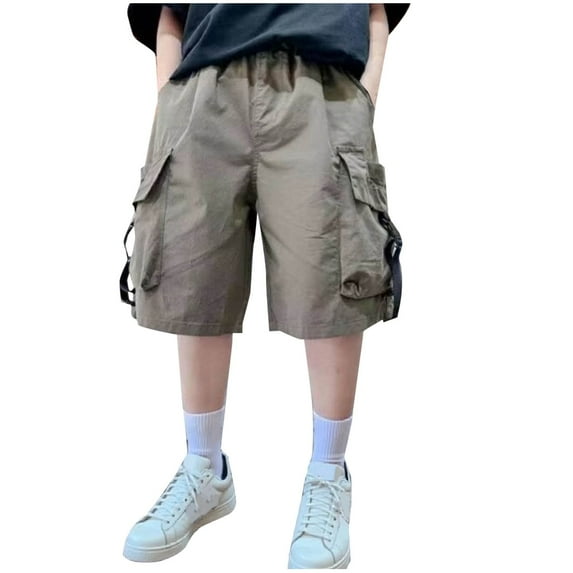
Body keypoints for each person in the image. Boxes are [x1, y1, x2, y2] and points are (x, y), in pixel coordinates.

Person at [119, 3, 409, 569]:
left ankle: (328, 473)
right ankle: (205, 468)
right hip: (203, 90)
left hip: (320, 88)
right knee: (195, 277)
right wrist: (171, 98)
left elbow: (378, 7)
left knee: (332, 274)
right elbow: (166, 12)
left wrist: (363, 100)